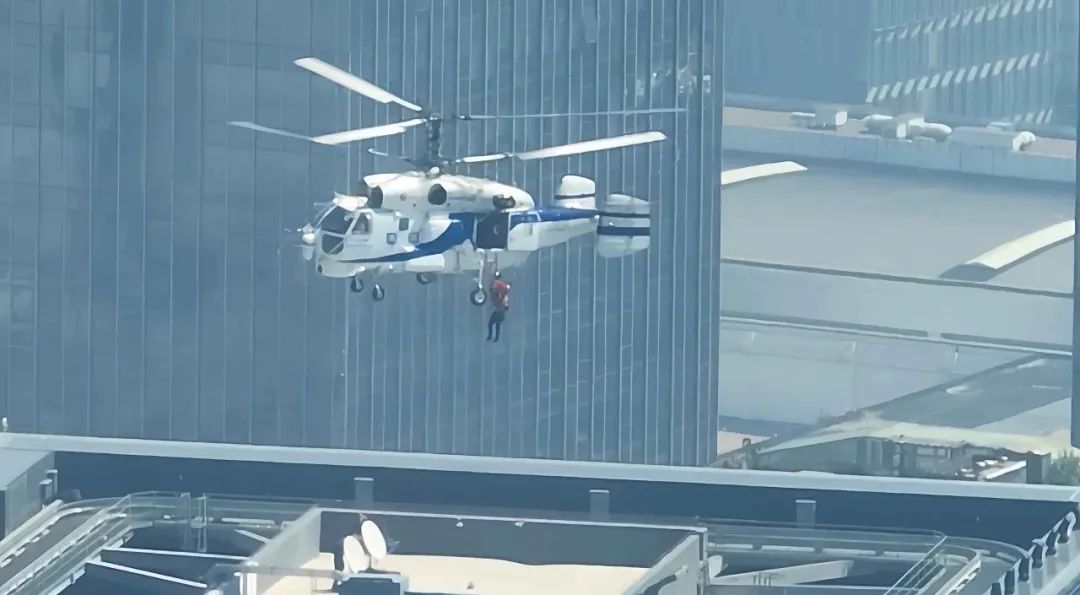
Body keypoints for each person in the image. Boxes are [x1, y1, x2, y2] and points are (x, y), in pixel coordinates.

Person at [486, 271, 510, 342]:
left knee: (494, 323)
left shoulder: (497, 285)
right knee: (496, 324)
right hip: (500, 309)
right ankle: (494, 337)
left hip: (500, 309)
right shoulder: (501, 286)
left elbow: (502, 294)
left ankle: (493, 336)